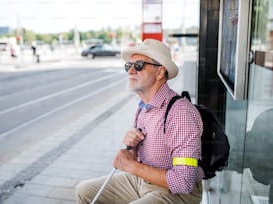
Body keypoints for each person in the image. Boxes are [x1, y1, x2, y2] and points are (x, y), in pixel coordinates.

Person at [76, 39, 204, 204]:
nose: (130, 71)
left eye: (138, 65)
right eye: (128, 66)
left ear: (159, 72)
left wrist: (131, 166)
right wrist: (131, 148)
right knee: (85, 191)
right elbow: (136, 159)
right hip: (143, 180)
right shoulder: (143, 107)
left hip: (174, 192)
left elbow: (183, 182)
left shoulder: (180, 113)